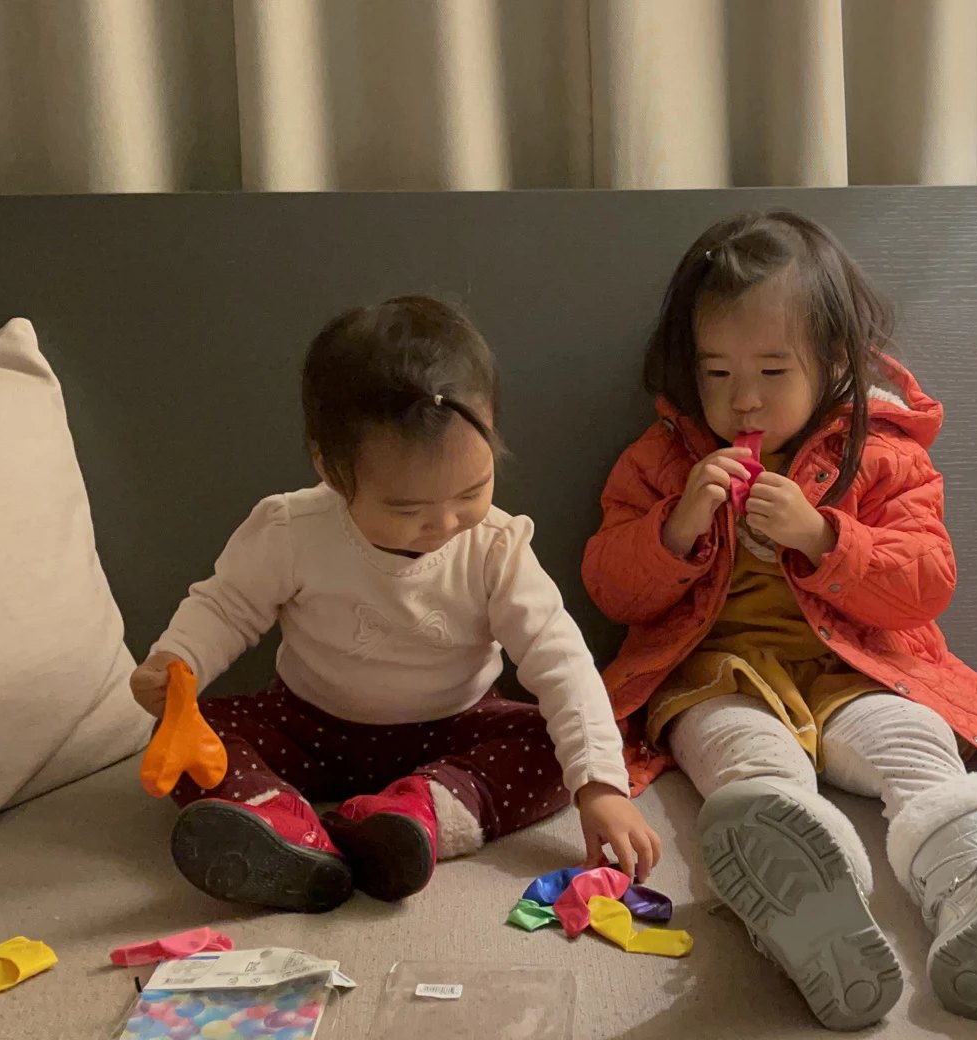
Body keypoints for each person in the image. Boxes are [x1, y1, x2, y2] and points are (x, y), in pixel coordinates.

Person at [583, 211, 977, 1028]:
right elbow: (611, 590)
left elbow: (926, 582)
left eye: (771, 370)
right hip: (719, 679)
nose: (743, 397)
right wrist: (675, 528)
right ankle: (802, 910)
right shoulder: (660, 462)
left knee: (918, 745)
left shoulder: (883, 454)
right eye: (716, 372)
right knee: (749, 771)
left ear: (833, 363)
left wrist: (823, 537)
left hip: (860, 670)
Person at [133, 295, 660, 913]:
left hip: (453, 732)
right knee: (194, 734)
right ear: (331, 470)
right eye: (406, 508)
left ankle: (418, 813)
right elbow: (226, 607)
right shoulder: (292, 529)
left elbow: (560, 659)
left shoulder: (495, 547)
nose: (443, 523)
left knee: (557, 744)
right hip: (307, 728)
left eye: (471, 491)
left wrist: (601, 787)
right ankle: (280, 827)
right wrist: (178, 663)